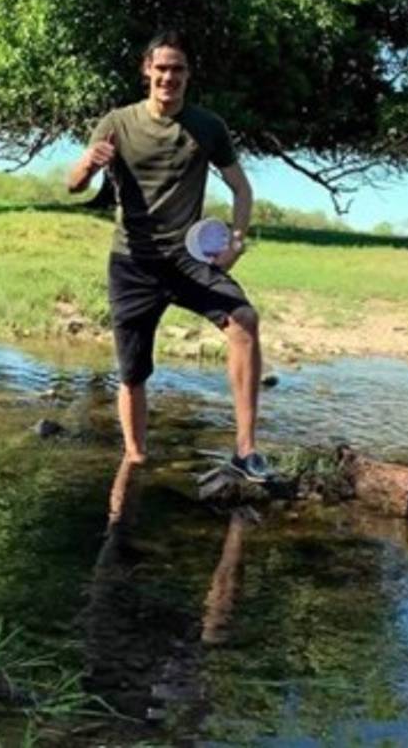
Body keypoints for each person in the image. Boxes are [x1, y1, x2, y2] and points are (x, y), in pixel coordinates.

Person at [67, 30, 269, 481]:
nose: (168, 77)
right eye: (161, 68)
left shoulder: (208, 126)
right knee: (133, 372)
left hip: (187, 260)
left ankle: (245, 450)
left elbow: (241, 187)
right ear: (147, 71)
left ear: (187, 75)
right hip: (131, 262)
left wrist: (235, 241)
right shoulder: (116, 123)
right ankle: (135, 462)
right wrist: (88, 163)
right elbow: (73, 185)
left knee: (245, 320)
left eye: (177, 69)